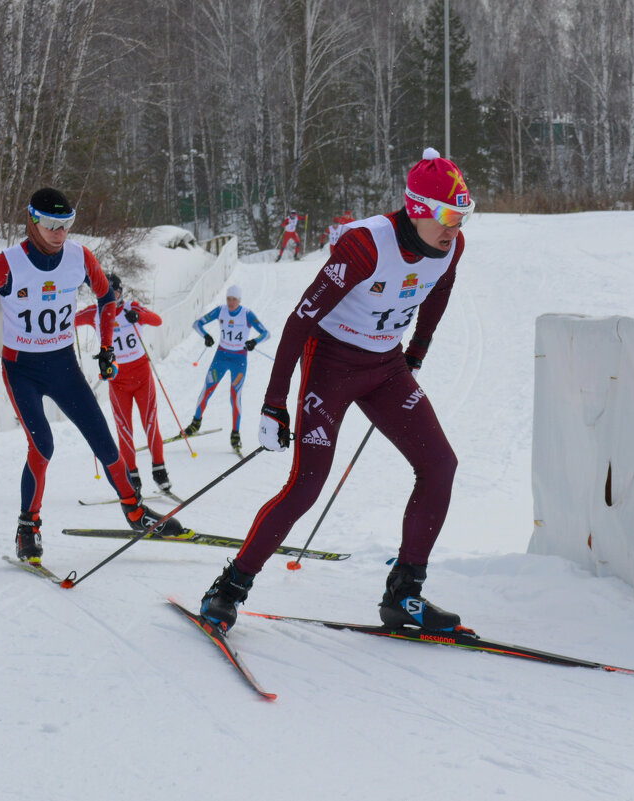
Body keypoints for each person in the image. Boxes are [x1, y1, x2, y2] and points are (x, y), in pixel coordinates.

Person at [198, 147, 473, 632]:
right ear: (418, 208)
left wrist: (418, 349)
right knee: (307, 485)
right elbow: (299, 319)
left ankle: (404, 594)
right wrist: (274, 402)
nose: (457, 227)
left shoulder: (452, 245)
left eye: (465, 215)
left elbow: (440, 289)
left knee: (439, 465)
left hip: (386, 366)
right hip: (331, 365)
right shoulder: (366, 246)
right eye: (450, 215)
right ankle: (230, 587)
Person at [0, 187, 182, 564]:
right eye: (51, 225)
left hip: (63, 365)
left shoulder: (80, 257)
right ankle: (28, 527)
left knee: (105, 445)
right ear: (32, 221)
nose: (59, 233)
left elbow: (108, 299)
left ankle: (135, 512)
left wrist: (106, 348)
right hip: (21, 369)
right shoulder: (7, 263)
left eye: (67, 224)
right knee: (42, 446)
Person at [75, 273, 172, 496]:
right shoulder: (95, 312)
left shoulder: (131, 307)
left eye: (114, 292)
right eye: (105, 292)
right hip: (117, 379)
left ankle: (159, 470)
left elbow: (157, 320)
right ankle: (133, 475)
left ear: (121, 292)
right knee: (124, 429)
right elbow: (69, 321)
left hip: (142, 376)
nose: (110, 296)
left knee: (150, 423)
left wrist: (137, 316)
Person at [182, 285, 270, 452]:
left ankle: (235, 433)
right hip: (221, 357)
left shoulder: (247, 314)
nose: (231, 302)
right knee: (207, 390)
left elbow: (266, 333)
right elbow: (197, 324)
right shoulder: (221, 311)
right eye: (229, 299)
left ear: (239, 300)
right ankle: (195, 423)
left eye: (234, 299)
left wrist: (254, 342)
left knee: (235, 397)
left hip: (239, 360)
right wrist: (206, 336)